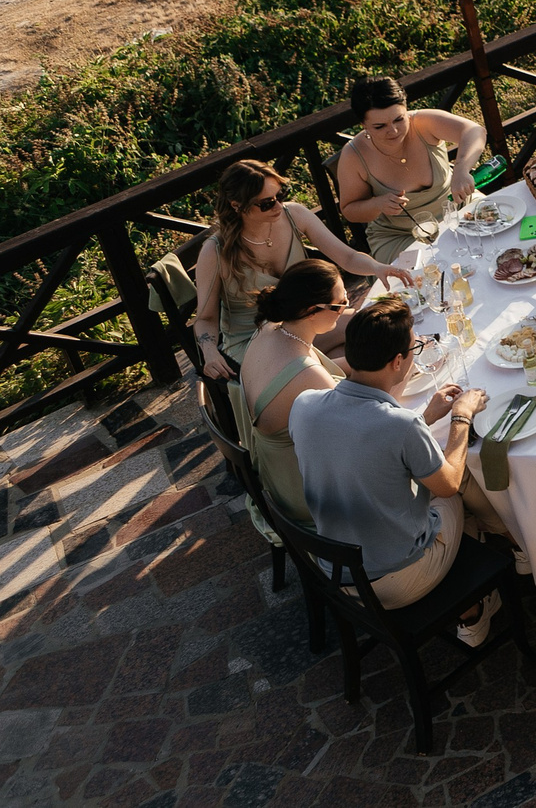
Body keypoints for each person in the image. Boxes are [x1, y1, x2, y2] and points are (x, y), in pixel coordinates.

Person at [287, 296, 507, 640]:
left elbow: (359, 444)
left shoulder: (304, 404)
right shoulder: (400, 426)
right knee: (458, 477)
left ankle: (495, 546)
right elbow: (447, 483)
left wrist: (424, 418)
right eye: (414, 349)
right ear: (398, 361)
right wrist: (461, 417)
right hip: (399, 581)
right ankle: (480, 595)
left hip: (339, 574)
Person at [192, 159, 413, 377]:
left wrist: (377, 267)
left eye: (280, 195)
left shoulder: (293, 215)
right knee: (360, 363)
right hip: (256, 342)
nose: (278, 206)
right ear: (237, 205)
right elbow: (205, 318)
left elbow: (347, 256)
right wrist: (210, 351)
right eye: (267, 203)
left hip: (304, 321)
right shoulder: (215, 252)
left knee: (377, 331)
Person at [230, 258, 351, 526]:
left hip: (274, 469)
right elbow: (357, 434)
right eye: (340, 304)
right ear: (311, 311)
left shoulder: (269, 328)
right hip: (302, 491)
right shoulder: (307, 374)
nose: (346, 308)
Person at [334, 76, 489, 263]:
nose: (393, 131)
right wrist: (378, 204)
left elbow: (474, 131)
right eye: (379, 126)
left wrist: (461, 170)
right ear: (363, 125)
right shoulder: (353, 155)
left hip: (461, 208)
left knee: (499, 243)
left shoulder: (423, 123)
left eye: (399, 119)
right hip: (401, 235)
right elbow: (350, 209)